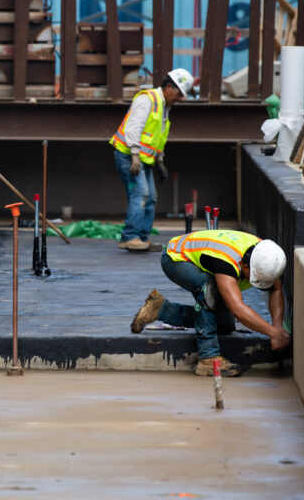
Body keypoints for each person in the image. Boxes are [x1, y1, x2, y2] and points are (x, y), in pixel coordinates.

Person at [129, 229, 290, 376]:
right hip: (176, 257)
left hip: (203, 256)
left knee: (224, 324)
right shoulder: (227, 262)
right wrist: (272, 332)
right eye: (253, 279)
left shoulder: (266, 256)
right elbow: (238, 309)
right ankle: (208, 357)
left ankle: (161, 309)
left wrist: (277, 326)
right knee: (209, 292)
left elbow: (275, 289)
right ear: (246, 266)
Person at [109, 68, 193, 251]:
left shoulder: (164, 107)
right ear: (169, 86)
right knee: (141, 194)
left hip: (144, 159)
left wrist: (159, 161)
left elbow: (157, 137)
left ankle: (142, 237)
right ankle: (129, 237)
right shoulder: (147, 99)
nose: (180, 99)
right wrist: (134, 157)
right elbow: (133, 128)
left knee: (151, 197)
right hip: (128, 156)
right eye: (179, 94)